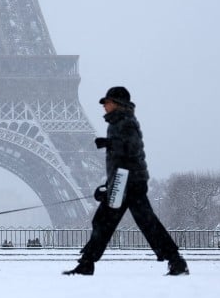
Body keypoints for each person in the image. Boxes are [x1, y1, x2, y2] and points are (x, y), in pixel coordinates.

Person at [63, 87, 189, 276]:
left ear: (117, 103)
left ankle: (87, 263)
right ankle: (175, 260)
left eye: (107, 102)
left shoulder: (125, 122)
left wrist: (109, 145)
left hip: (129, 182)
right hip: (126, 181)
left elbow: (132, 150)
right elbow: (123, 159)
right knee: (122, 222)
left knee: (110, 222)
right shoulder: (117, 123)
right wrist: (108, 185)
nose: (104, 106)